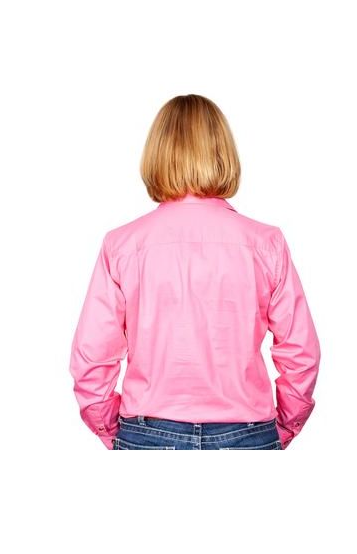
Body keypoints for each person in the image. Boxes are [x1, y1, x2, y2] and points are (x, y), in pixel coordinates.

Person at [68, 94, 321, 450]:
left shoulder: (122, 245)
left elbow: (92, 357)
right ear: (223, 153)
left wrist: (112, 430)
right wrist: (284, 427)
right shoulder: (266, 243)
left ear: (157, 153)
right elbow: (301, 352)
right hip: (246, 432)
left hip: (147, 433)